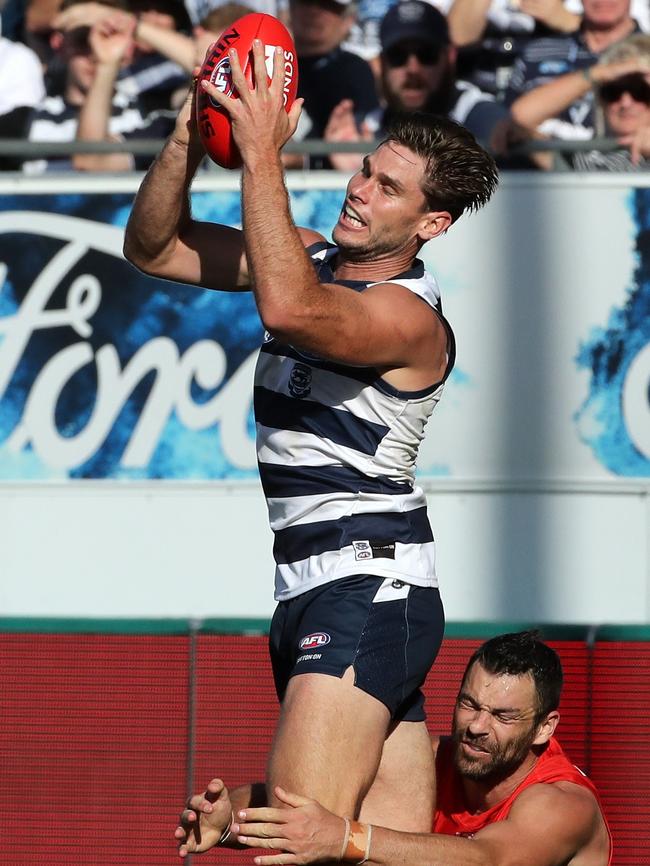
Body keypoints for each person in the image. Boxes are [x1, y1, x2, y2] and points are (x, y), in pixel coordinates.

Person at [123, 40, 498, 854]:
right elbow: (153, 247)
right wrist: (194, 133)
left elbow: (289, 309)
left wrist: (258, 149)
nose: (360, 190)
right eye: (366, 169)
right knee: (372, 846)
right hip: (318, 586)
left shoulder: (410, 317)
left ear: (431, 224)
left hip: (366, 581)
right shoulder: (315, 257)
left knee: (295, 843)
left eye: (388, 189)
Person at [177, 632, 612, 866]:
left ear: (544, 727)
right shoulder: (436, 760)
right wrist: (232, 818)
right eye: (469, 704)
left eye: (502, 716)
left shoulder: (561, 805)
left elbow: (488, 859)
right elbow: (314, 802)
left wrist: (347, 838)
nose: (477, 726)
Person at [324, 1, 511, 172]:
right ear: (382, 63)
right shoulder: (366, 127)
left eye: (426, 54)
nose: (413, 68)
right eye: (398, 56)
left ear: (450, 57)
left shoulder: (476, 114)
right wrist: (356, 173)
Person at [504, 0, 641, 142]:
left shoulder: (646, 53)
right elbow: (510, 121)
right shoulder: (536, 52)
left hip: (625, 162)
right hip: (540, 159)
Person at [510, 32, 650, 169]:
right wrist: (598, 74)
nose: (625, 103)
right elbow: (521, 118)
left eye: (640, 91)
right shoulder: (585, 153)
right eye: (613, 91)